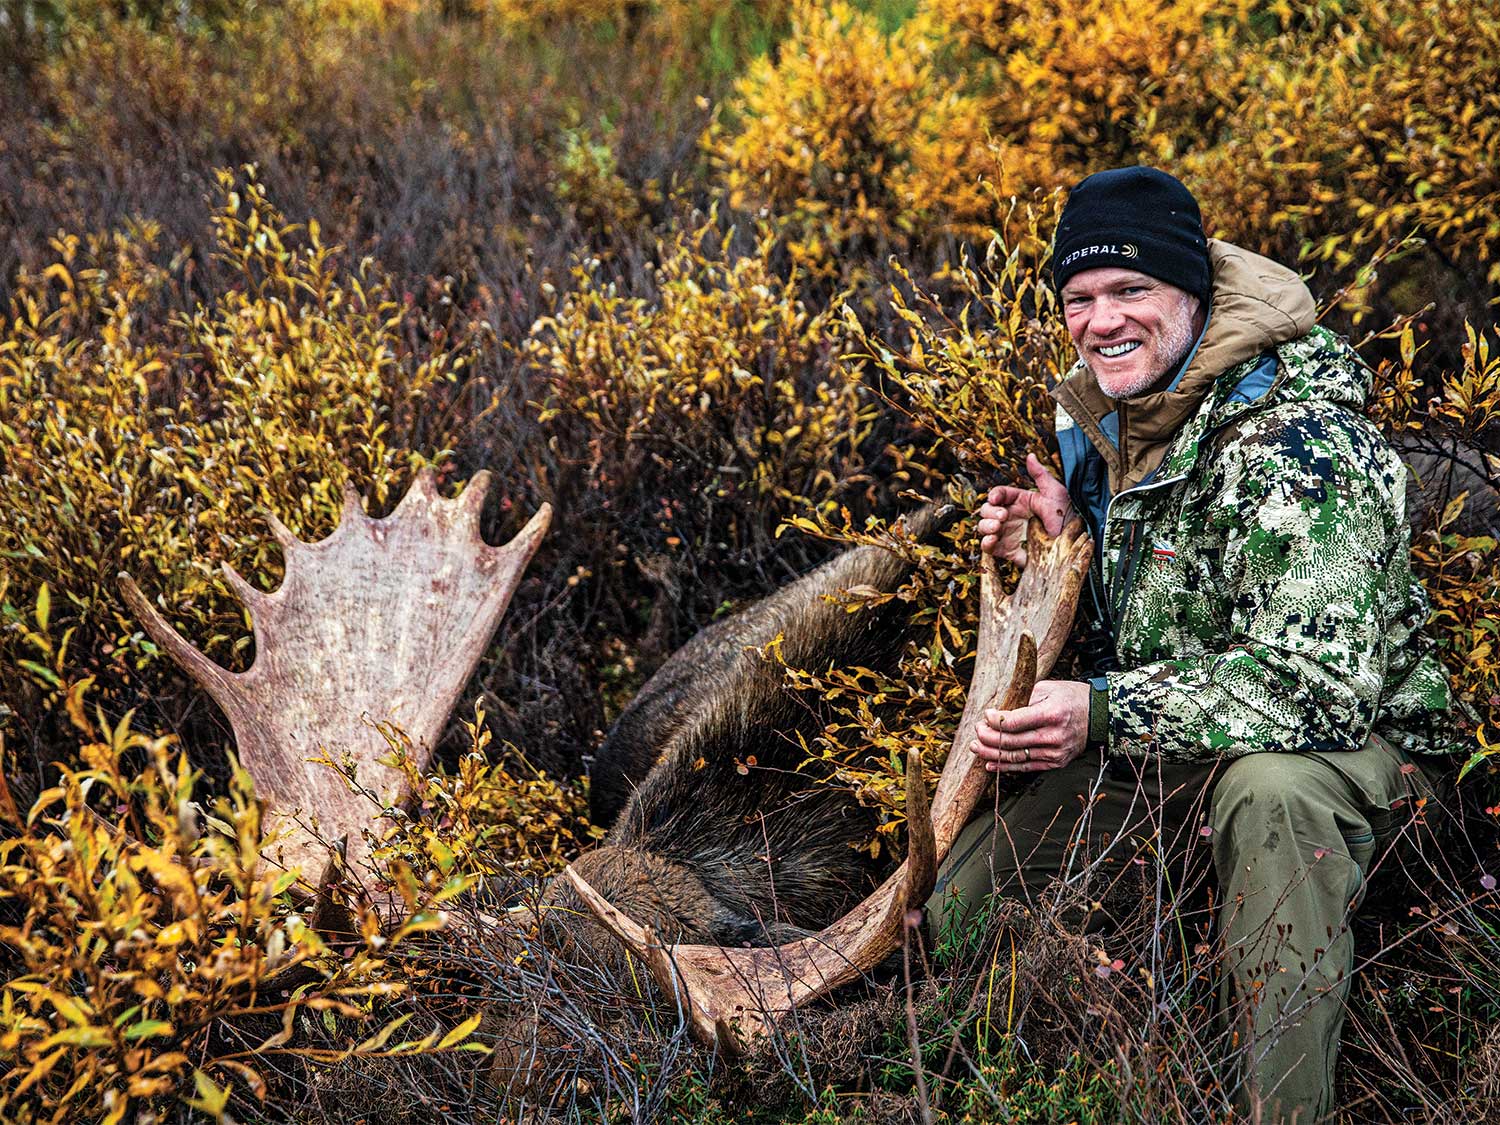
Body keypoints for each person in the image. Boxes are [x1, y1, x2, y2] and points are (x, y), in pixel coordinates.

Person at [926, 167, 1457, 1122]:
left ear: (1193, 293)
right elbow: (1138, 633)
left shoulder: (1297, 442)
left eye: (1131, 290)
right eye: (1079, 298)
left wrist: (1106, 710)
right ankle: (1082, 1068)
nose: (1101, 320)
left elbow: (1321, 693)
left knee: (1271, 793)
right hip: (1184, 742)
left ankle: (1280, 1107)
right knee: (960, 911)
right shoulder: (1109, 424)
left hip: (1364, 758)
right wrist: (1058, 556)